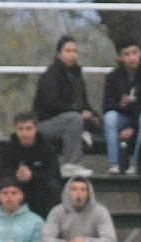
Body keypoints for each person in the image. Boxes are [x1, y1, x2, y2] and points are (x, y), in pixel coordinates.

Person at [33, 36, 98, 177]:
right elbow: (50, 104)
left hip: (69, 120)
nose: (72, 55)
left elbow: (84, 104)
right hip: (44, 123)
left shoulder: (77, 76)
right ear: (59, 53)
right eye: (68, 51)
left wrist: (93, 116)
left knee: (95, 121)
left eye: (75, 51)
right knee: (74, 119)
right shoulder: (51, 75)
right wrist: (78, 113)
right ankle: (71, 164)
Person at [102, 39, 141, 175]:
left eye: (135, 53)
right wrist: (120, 105)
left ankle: (136, 164)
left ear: (140, 53)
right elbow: (106, 106)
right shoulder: (113, 78)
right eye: (127, 54)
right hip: (126, 118)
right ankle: (114, 164)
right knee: (110, 117)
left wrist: (133, 127)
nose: (132, 58)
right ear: (119, 57)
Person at [0, 111, 63, 219]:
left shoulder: (47, 147)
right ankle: (0, 221)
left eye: (28, 128)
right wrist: (16, 175)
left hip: (39, 188)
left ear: (35, 128)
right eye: (20, 129)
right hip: (16, 187)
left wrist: (33, 175)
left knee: (53, 187)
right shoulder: (7, 148)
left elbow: (54, 173)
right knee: (0, 187)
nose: (24, 133)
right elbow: (1, 172)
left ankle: (51, 223)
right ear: (15, 129)